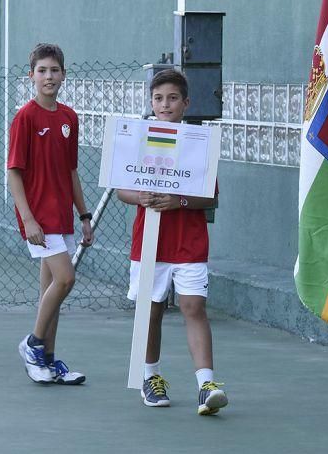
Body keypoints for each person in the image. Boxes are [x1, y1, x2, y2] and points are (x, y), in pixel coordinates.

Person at [116, 69, 228, 416]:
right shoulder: (138, 139)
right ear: (151, 103)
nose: (165, 104)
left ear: (186, 103)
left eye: (173, 98)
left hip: (189, 242)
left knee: (194, 307)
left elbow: (210, 196)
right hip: (150, 241)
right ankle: (151, 377)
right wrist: (142, 196)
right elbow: (123, 190)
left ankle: (206, 385)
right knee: (151, 311)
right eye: (159, 98)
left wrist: (177, 200)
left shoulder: (199, 142)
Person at [8, 43, 94, 385]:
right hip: (39, 219)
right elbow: (14, 173)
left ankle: (48, 361)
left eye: (54, 70)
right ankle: (32, 344)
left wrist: (85, 215)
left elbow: (71, 172)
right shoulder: (25, 118)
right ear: (31, 76)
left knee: (51, 292)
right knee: (66, 279)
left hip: (63, 217)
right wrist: (28, 219)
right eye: (42, 70)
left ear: (63, 75)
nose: (49, 76)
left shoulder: (69, 118)